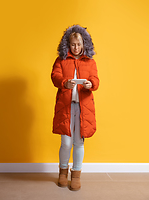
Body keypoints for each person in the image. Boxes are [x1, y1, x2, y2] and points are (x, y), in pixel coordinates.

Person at [51, 24, 99, 190]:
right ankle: (62, 172)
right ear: (68, 44)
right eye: (73, 44)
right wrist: (65, 83)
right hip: (65, 106)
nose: (76, 47)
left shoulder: (90, 61)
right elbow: (55, 77)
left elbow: (96, 80)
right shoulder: (61, 60)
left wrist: (90, 83)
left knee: (79, 142)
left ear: (84, 44)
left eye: (79, 44)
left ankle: (76, 174)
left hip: (83, 108)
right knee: (66, 142)